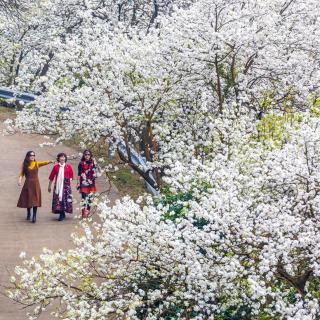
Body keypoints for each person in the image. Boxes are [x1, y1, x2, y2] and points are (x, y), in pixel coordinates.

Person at [17, 151, 53, 223]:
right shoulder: (24, 164)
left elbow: (43, 163)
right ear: (28, 156)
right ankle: (28, 213)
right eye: (31, 155)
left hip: (36, 184)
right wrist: (19, 180)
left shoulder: (36, 163)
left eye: (33, 155)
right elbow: (21, 173)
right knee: (29, 199)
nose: (32, 156)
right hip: (28, 184)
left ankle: (34, 216)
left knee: (35, 200)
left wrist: (50, 161)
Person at [48, 152, 74, 221]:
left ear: (65, 158)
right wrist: (49, 186)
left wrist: (68, 182)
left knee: (64, 200)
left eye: (63, 157)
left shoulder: (68, 166)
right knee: (59, 200)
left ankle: (62, 213)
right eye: (61, 157)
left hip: (66, 186)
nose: (62, 158)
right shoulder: (56, 167)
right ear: (58, 159)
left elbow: (71, 176)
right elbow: (51, 177)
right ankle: (61, 214)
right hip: (58, 186)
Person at [77, 150, 97, 218]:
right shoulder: (81, 163)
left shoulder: (93, 163)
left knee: (89, 199)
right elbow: (79, 174)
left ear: (90, 155)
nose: (87, 156)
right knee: (83, 198)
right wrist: (78, 183)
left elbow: (95, 173)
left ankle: (87, 213)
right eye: (86, 154)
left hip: (91, 183)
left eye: (88, 154)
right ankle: (83, 213)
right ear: (84, 155)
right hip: (83, 183)